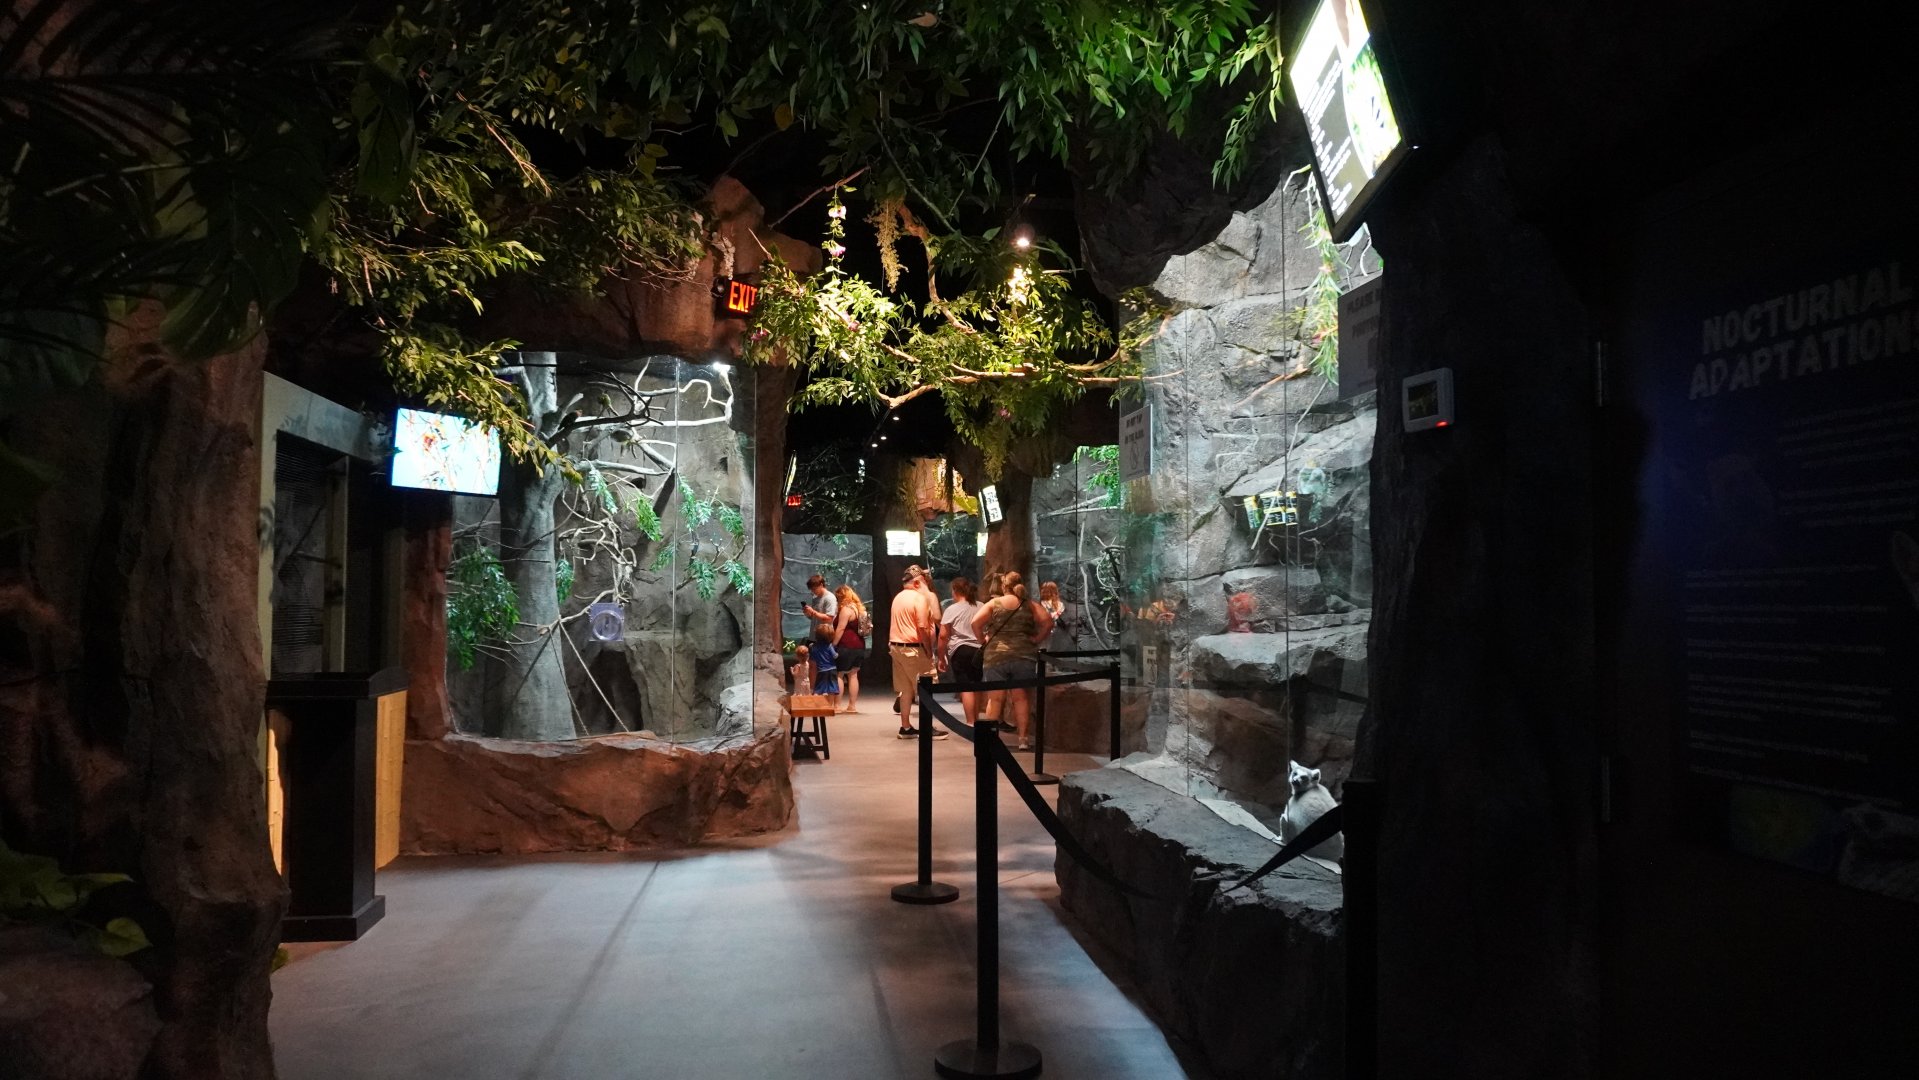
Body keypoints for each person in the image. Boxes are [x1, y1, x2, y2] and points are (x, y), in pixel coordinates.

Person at [971, 570, 1054, 750]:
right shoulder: (1029, 605)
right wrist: (1036, 639)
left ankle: (991, 740)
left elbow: (975, 623)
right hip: (1023, 655)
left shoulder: (994, 603)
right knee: (1021, 698)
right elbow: (1048, 622)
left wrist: (982, 640)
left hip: (996, 655)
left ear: (1003, 586)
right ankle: (1023, 739)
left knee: (995, 699)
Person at [887, 564, 944, 739]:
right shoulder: (919, 599)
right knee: (926, 687)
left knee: (905, 690)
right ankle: (927, 728)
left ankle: (905, 727)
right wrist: (928, 649)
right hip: (914, 648)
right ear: (918, 582)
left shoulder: (898, 597)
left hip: (896, 647)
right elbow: (922, 626)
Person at [936, 577, 984, 725]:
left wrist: (941, 656)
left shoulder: (952, 609)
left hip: (960, 650)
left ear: (955, 591)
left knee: (966, 687)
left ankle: (970, 722)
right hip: (979, 650)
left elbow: (943, 635)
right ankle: (977, 720)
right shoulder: (981, 606)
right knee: (977, 685)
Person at [831, 585, 869, 714]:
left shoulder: (846, 610)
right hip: (859, 646)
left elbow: (840, 628)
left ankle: (837, 705)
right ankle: (852, 706)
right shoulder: (860, 609)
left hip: (845, 646)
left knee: (839, 674)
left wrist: (833, 644)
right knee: (853, 675)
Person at [810, 621, 841, 711]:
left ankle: (815, 704)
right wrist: (839, 654)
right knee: (831, 689)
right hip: (832, 669)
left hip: (821, 670)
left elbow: (813, 660)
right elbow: (835, 656)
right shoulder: (829, 646)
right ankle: (829, 706)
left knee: (818, 688)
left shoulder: (813, 647)